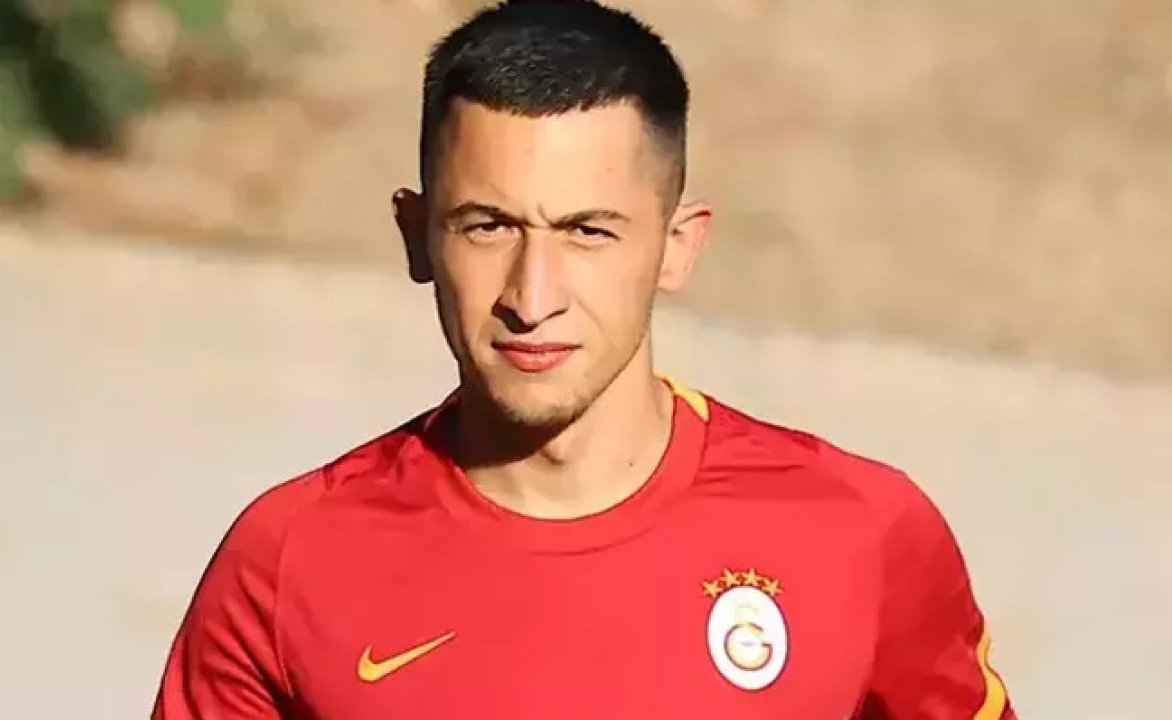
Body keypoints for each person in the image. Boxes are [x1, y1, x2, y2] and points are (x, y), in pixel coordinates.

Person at [151, 1, 1016, 717]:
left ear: (677, 246)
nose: (533, 298)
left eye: (588, 233)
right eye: (488, 226)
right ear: (417, 236)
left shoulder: (860, 533)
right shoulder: (290, 561)